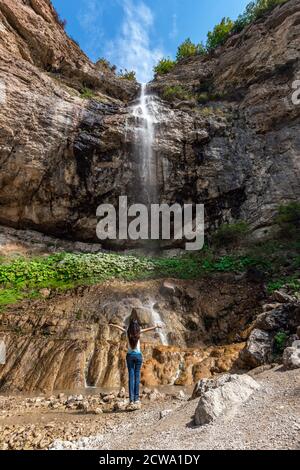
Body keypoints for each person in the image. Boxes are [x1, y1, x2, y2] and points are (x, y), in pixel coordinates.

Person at [109, 319, 162, 410]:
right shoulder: (138, 332)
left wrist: (113, 325)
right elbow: (148, 329)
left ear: (130, 326)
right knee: (137, 378)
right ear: (137, 327)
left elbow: (120, 328)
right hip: (138, 356)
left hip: (130, 356)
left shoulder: (127, 332)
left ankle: (131, 400)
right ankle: (137, 399)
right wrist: (156, 326)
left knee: (131, 378)